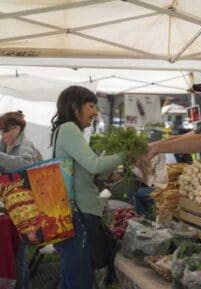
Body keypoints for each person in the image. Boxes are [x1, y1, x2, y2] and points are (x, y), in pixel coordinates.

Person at [51, 86, 126, 289]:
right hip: (79, 218)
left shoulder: (68, 131)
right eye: (91, 106)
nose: (95, 112)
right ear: (75, 106)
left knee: (74, 278)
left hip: (77, 216)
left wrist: (107, 171)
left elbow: (88, 170)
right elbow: (93, 164)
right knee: (79, 282)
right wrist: (126, 153)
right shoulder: (68, 129)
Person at [0, 110, 41, 289]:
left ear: (16, 129)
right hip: (9, 203)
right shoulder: (2, 143)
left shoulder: (26, 144)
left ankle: (23, 285)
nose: (2, 136)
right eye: (1, 132)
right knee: (10, 246)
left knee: (18, 249)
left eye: (5, 132)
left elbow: (24, 164)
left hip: (26, 203)